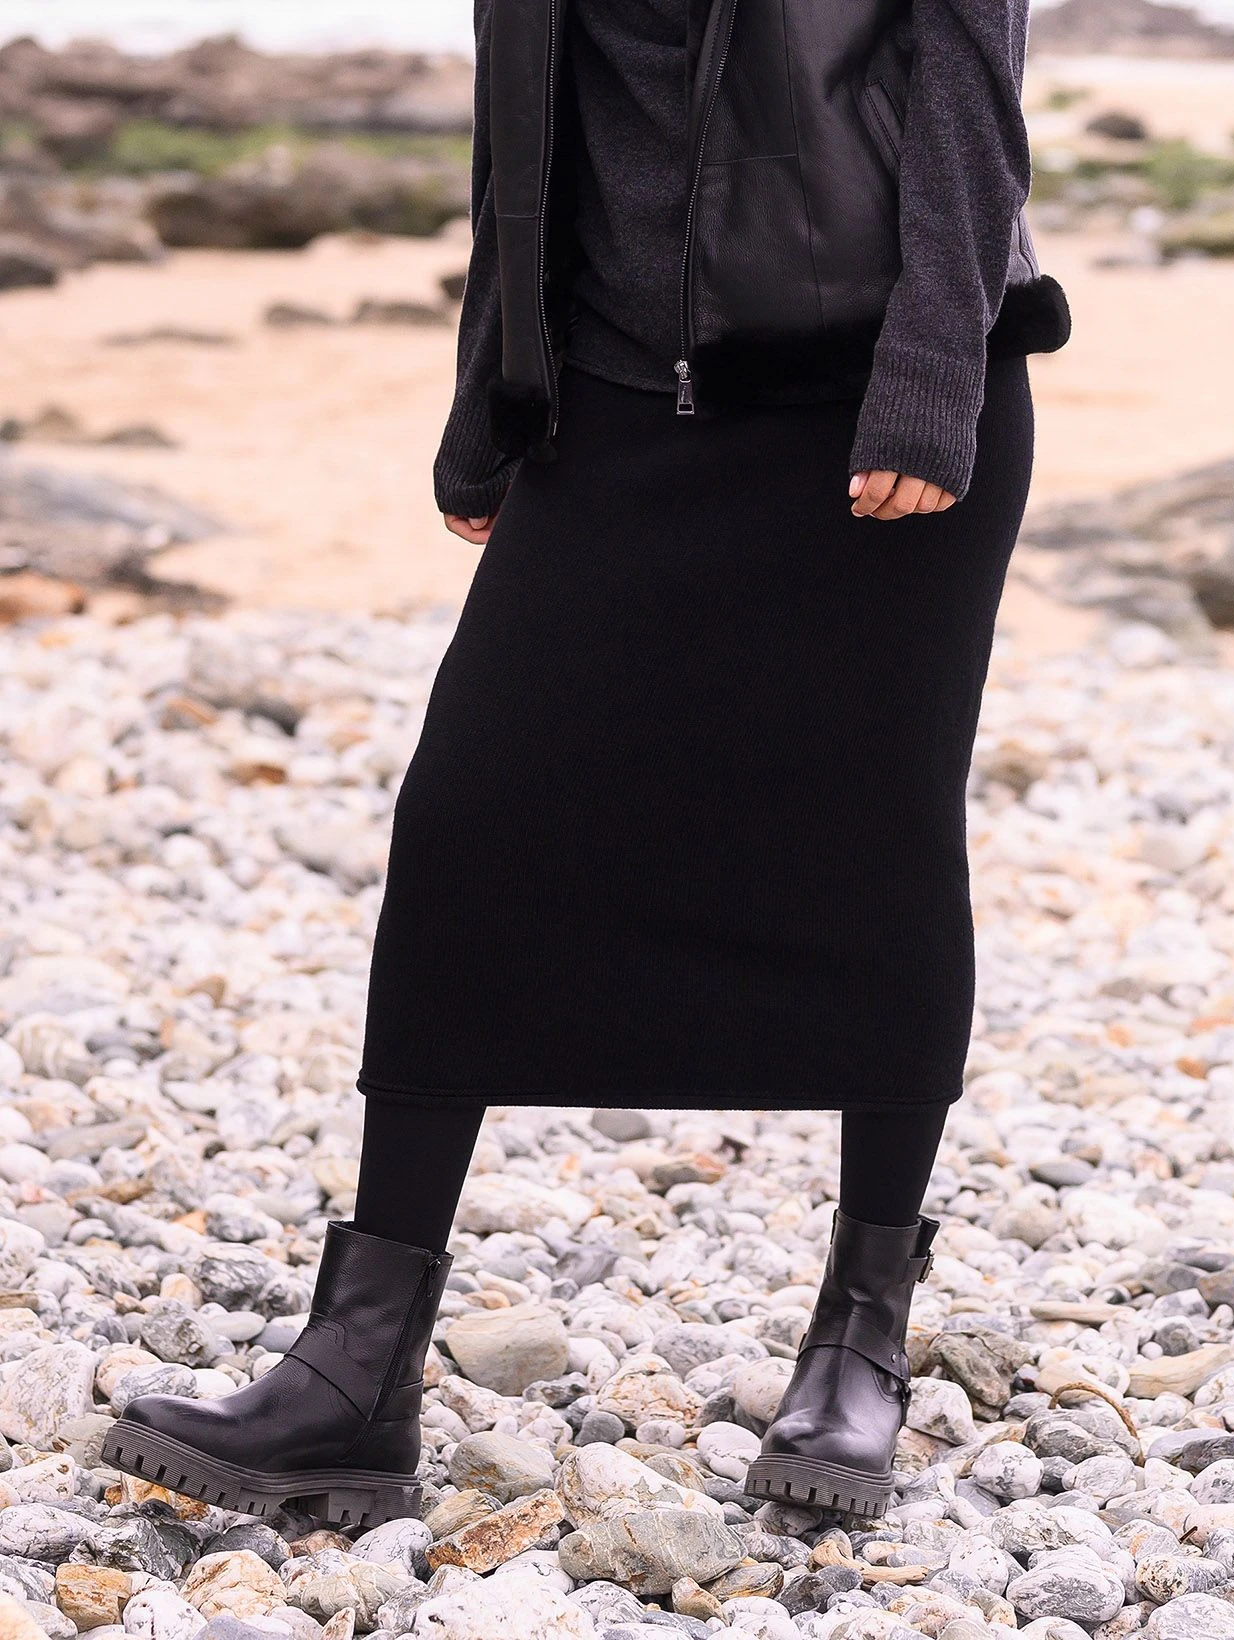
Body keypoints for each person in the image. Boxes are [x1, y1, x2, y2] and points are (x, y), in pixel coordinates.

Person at [107, 0, 1070, 1527]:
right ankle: (357, 1363)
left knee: (869, 833)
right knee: (470, 827)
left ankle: (857, 1339)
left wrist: (932, 369)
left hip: (865, 391)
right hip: (615, 402)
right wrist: (494, 387)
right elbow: (529, 111)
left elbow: (964, 73)